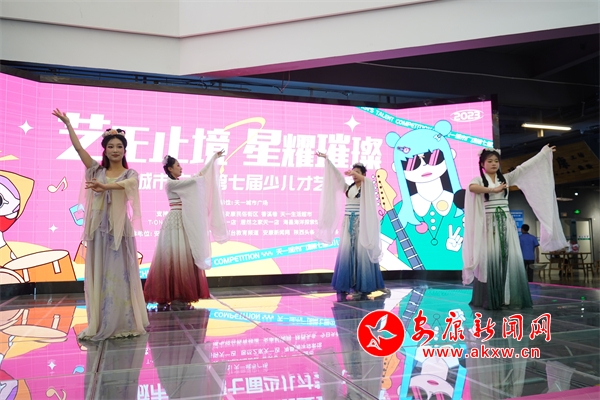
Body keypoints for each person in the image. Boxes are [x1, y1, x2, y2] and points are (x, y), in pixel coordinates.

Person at [52, 108, 149, 340]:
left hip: (120, 231)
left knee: (121, 274)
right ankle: (102, 321)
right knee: (100, 274)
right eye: (111, 146)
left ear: (125, 150)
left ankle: (123, 321)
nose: (115, 150)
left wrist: (105, 187)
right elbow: (79, 149)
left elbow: (127, 186)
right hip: (99, 230)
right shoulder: (96, 170)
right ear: (104, 150)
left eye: (119, 146)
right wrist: (68, 124)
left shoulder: (131, 174)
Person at [462, 144, 567, 310]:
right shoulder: (479, 180)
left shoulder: (505, 178)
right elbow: (471, 188)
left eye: (496, 161)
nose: (494, 164)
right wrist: (493, 189)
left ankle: (508, 297)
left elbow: (524, 168)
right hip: (489, 224)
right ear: (482, 164)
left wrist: (542, 153)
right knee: (490, 259)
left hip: (506, 222)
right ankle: (492, 298)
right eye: (490, 161)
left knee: (509, 258)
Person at [143, 151, 229, 310]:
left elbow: (197, 178)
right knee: (175, 257)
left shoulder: (178, 183)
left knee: (183, 257)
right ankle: (173, 295)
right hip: (176, 220)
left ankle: (179, 295)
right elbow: (197, 180)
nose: (180, 168)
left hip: (182, 220)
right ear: (170, 169)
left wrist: (212, 160)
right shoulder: (171, 184)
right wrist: (210, 165)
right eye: (178, 165)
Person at [315, 151, 389, 300]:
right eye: (353, 173)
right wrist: (328, 160)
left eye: (357, 173)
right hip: (348, 222)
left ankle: (364, 286)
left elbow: (366, 180)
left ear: (363, 174)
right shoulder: (349, 187)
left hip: (362, 224)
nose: (354, 175)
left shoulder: (367, 186)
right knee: (348, 253)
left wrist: (355, 173)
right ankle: (350, 285)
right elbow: (337, 177)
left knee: (362, 254)